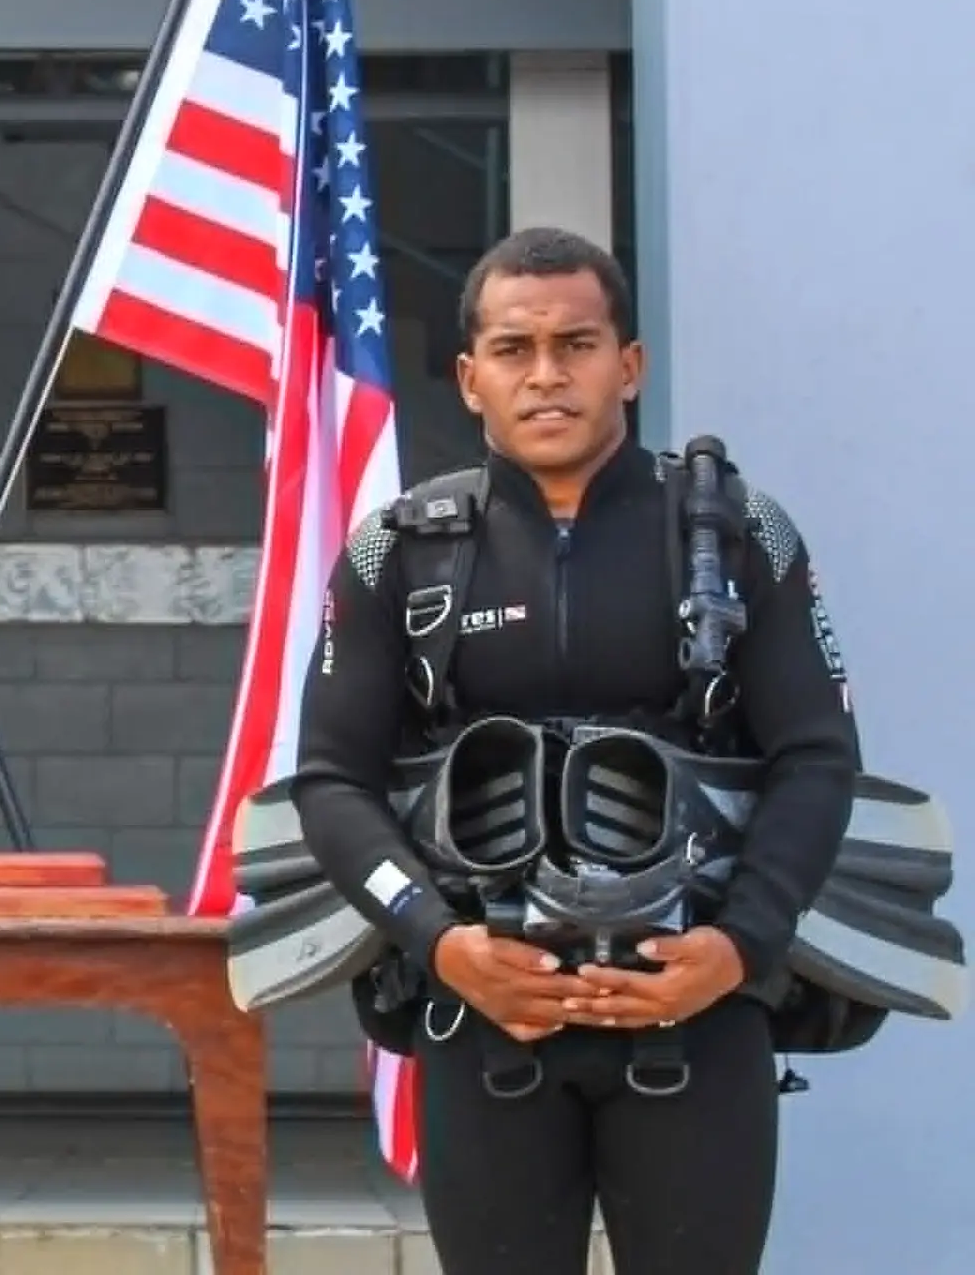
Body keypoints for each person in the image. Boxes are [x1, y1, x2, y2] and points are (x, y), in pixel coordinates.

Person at [291, 226, 861, 1275]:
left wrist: (737, 949)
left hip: (696, 1014)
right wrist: (439, 943)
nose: (546, 375)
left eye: (578, 344)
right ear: (470, 378)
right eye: (514, 350)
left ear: (629, 363)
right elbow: (331, 781)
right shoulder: (398, 552)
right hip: (484, 1014)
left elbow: (818, 758)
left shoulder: (740, 536)